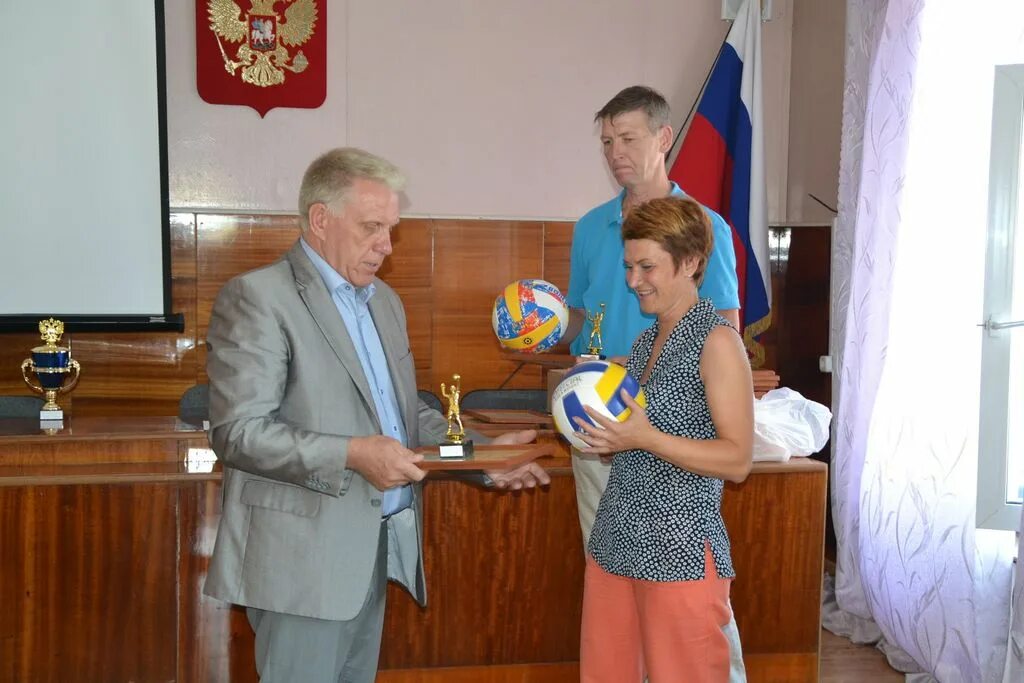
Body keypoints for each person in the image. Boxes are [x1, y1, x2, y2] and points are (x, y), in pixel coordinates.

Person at [203, 147, 550, 683]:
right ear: (321, 220)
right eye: (372, 227)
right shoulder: (258, 298)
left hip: (373, 550)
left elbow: (404, 416)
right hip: (302, 566)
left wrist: (483, 456)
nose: (386, 247)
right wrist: (352, 455)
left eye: (390, 228)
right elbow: (239, 433)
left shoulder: (384, 301)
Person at [563, 85, 748, 679]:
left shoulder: (714, 337)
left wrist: (641, 435)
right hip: (618, 538)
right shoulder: (643, 341)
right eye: (628, 267)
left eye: (647, 268)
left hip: (678, 549)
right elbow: (586, 328)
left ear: (691, 262)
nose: (635, 282)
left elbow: (735, 457)